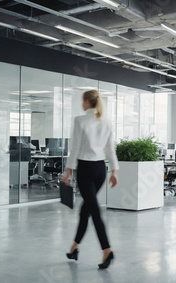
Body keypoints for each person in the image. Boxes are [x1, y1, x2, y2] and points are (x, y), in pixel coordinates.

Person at [61, 90, 119, 269]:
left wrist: (68, 172)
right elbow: (110, 148)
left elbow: (76, 147)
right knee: (85, 209)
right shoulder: (107, 122)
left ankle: (107, 250)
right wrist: (114, 171)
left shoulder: (80, 120)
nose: (81, 104)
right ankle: (74, 248)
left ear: (87, 102)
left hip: (85, 170)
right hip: (101, 169)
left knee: (94, 211)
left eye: (82, 101)